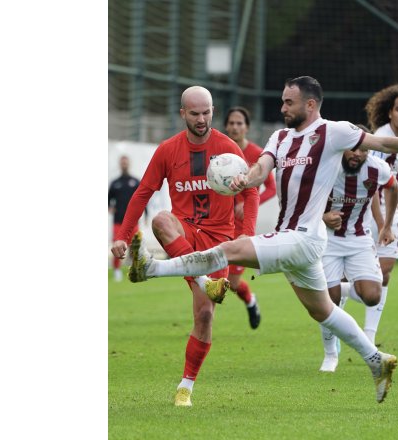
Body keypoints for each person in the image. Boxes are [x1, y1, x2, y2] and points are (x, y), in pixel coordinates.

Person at [125, 76, 398, 404]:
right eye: (283, 100)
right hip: (295, 242)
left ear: (310, 104)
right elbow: (260, 171)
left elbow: (385, 144)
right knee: (323, 312)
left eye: (289, 102)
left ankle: (151, 268)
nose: (282, 106)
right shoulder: (280, 137)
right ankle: (378, 360)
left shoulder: (334, 132)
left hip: (303, 238)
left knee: (229, 250)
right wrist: (243, 180)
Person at [110, 86, 260, 408]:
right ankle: (205, 281)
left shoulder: (227, 147)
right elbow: (142, 193)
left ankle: (185, 387)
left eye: (207, 112)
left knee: (204, 315)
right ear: (183, 114)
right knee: (161, 220)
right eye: (195, 113)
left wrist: (245, 236)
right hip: (184, 233)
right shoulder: (168, 150)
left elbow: (251, 192)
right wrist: (122, 235)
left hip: (219, 239)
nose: (202, 119)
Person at [336, 84, 398, 347]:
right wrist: (383, 225)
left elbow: (390, 186)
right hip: (368, 212)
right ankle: (333, 305)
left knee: (385, 273)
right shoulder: (381, 139)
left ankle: (369, 333)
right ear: (389, 112)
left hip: (390, 212)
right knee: (363, 276)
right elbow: (371, 187)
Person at [316, 125, 398, 373]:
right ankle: (331, 355)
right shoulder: (325, 165)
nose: (357, 153)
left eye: (363, 149)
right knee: (327, 303)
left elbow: (393, 187)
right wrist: (322, 217)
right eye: (352, 148)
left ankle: (339, 289)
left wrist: (385, 225)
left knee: (373, 295)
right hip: (328, 240)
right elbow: (302, 197)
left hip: (359, 240)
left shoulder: (377, 168)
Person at [223, 107, 277, 329]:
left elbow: (271, 188)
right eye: (231, 123)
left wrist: (247, 203)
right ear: (226, 126)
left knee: (233, 283)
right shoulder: (221, 152)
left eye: (239, 123)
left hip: (241, 226)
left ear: (247, 127)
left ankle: (250, 301)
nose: (235, 127)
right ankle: (203, 320)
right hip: (218, 221)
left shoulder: (256, 153)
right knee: (210, 272)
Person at [108, 155, 141, 282]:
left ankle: (135, 270)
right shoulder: (115, 183)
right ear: (120, 165)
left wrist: (145, 213)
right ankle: (116, 271)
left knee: (136, 247)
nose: (124, 165)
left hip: (133, 222)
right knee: (117, 247)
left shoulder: (135, 181)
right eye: (122, 163)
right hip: (118, 221)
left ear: (129, 164)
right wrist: (109, 207)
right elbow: (108, 198)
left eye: (126, 163)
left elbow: (142, 199)